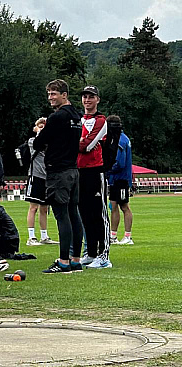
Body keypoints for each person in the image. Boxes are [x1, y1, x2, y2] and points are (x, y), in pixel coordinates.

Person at [32, 80, 84, 274]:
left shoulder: (57, 117)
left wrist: (40, 131)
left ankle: (63, 262)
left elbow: (39, 143)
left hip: (58, 171)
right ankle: (75, 260)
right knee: (73, 214)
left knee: (62, 216)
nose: (50, 98)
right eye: (49, 94)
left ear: (64, 94)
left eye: (54, 93)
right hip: (73, 169)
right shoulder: (76, 116)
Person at [77, 85, 112, 269]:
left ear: (97, 99)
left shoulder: (101, 121)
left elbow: (87, 146)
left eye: (91, 97)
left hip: (95, 170)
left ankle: (103, 255)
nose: (87, 100)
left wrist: (80, 142)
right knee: (84, 214)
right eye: (85, 97)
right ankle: (90, 253)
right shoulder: (78, 119)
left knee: (99, 213)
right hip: (79, 171)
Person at [18, 118, 57, 246]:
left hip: (47, 178)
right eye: (40, 126)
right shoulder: (32, 141)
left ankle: (44, 236)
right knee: (33, 207)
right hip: (36, 176)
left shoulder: (52, 143)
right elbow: (37, 144)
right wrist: (40, 132)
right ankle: (31, 237)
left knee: (44, 208)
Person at [106, 115, 134, 245]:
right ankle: (113, 235)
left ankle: (128, 236)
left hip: (120, 179)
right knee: (113, 205)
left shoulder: (120, 141)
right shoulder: (123, 139)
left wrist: (106, 170)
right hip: (116, 179)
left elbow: (119, 163)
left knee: (124, 206)